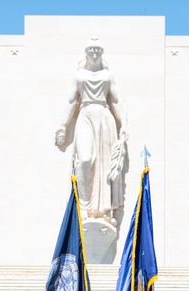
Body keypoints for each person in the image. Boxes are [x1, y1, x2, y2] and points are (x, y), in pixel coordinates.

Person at [55, 39, 129, 227]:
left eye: (98, 51)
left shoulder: (108, 76)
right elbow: (72, 102)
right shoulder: (78, 76)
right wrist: (63, 126)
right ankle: (83, 205)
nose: (94, 54)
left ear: (101, 53)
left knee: (104, 165)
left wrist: (123, 124)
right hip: (85, 116)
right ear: (86, 53)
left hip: (104, 118)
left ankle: (101, 209)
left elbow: (116, 101)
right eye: (91, 51)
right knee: (86, 159)